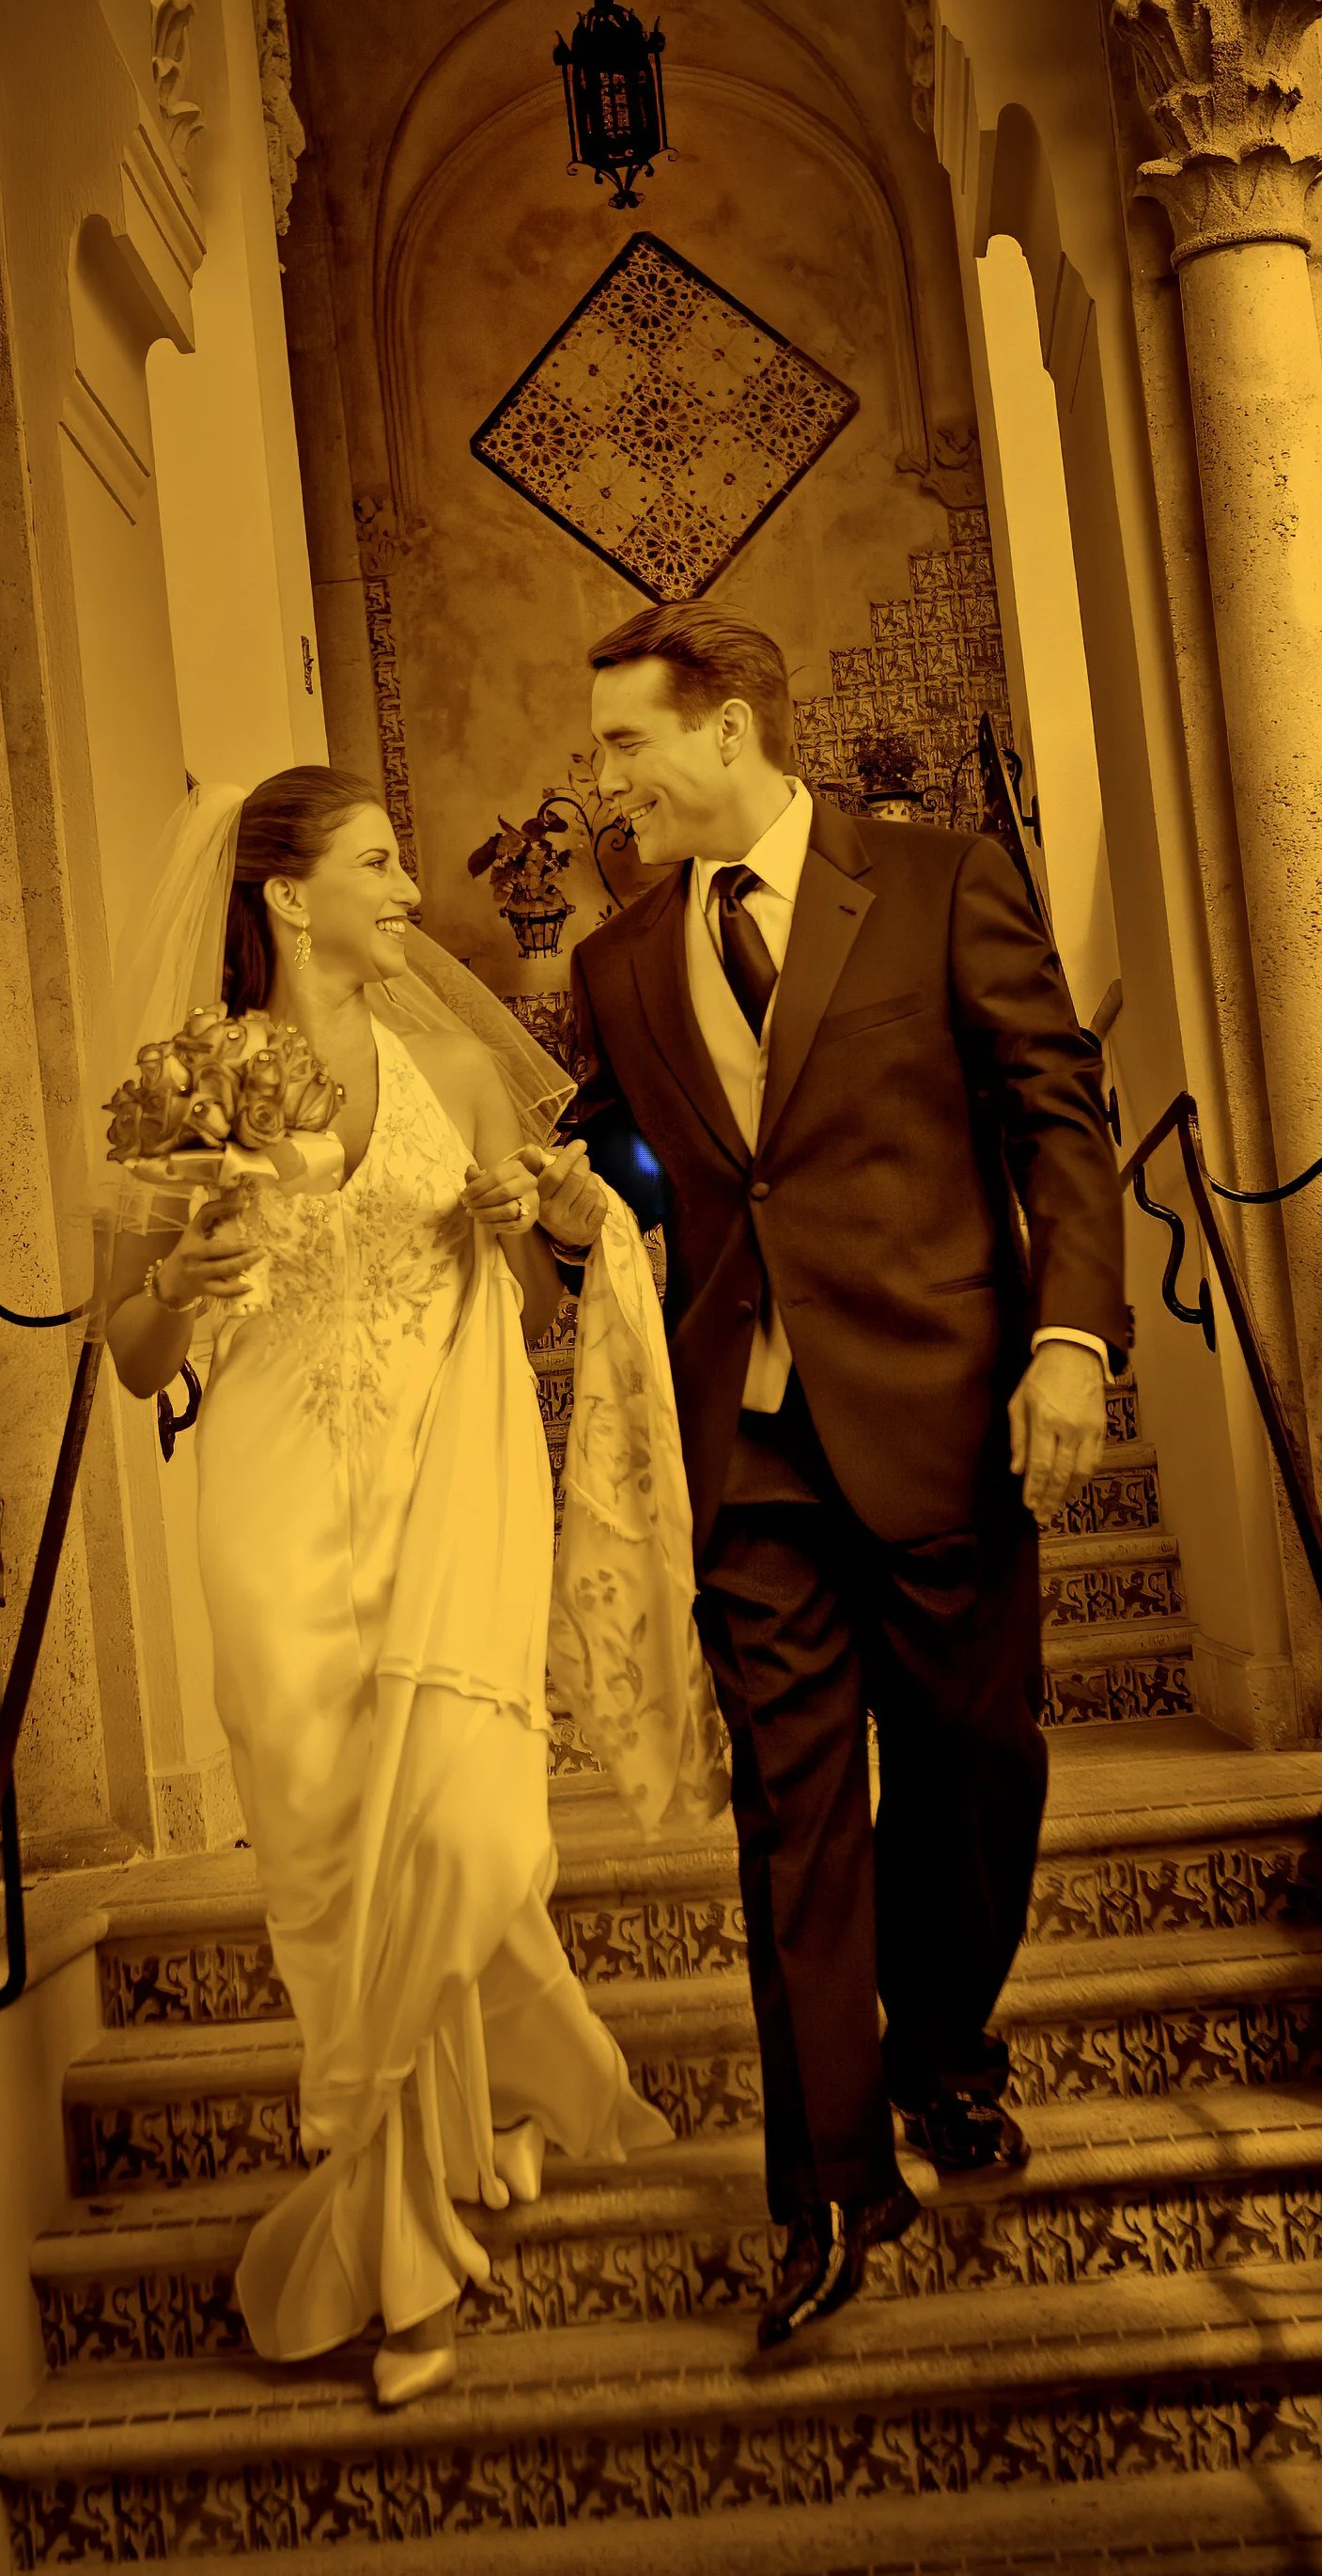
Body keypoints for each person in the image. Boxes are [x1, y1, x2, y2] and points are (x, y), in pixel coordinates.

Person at [532, 604, 1129, 2354]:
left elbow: (1057, 1115)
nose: (604, 779)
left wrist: (1070, 1342)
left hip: (947, 1408)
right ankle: (828, 2185)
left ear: (726, 731)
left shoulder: (937, 880)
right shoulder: (620, 964)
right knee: (794, 1820)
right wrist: (572, 1205)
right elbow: (650, 1166)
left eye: (627, 744)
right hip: (752, 1446)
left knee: (969, 1774)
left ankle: (946, 2042)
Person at [106, 766, 669, 2411]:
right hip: (274, 1517)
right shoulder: (199, 1078)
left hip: (448, 1494)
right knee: (327, 1867)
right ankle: (404, 2241)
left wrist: (558, 1213)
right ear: (287, 895)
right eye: (377, 861)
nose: (412, 888)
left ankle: (463, 2134)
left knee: (473, 1837)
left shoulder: (449, 1066)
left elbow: (542, 1300)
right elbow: (133, 1358)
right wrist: (178, 1275)